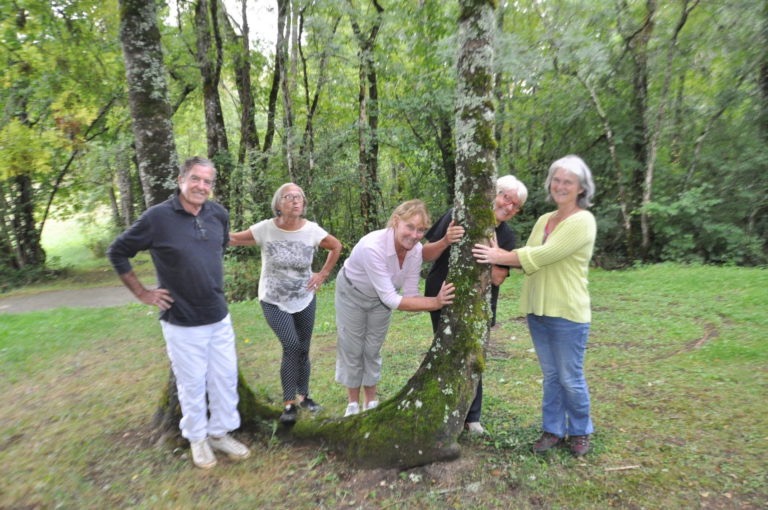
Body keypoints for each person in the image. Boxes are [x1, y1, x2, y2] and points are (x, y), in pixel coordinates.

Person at [107, 156, 250, 469]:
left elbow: (215, 250)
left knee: (225, 379)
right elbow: (117, 251)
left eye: (207, 181)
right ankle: (197, 438)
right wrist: (142, 293)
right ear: (181, 179)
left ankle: (219, 433)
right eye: (195, 178)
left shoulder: (218, 214)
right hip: (181, 321)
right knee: (192, 384)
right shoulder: (157, 218)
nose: (201, 186)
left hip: (219, 316)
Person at [472, 155, 597, 457]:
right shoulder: (544, 220)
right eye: (556, 180)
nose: (560, 186)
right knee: (552, 375)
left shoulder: (583, 221)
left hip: (567, 311)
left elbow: (541, 255)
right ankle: (552, 429)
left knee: (570, 377)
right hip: (538, 310)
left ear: (581, 188)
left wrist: (499, 256)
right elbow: (528, 254)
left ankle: (580, 430)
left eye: (568, 182)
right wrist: (502, 255)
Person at [422, 175, 528, 435]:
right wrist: (446, 240)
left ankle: (472, 417)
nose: (509, 207)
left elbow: (498, 278)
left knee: (473, 358)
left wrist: (496, 254)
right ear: (493, 192)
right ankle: (444, 408)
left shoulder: (506, 236)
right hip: (443, 296)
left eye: (516, 205)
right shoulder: (458, 214)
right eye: (506, 198)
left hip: (480, 304)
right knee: (446, 352)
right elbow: (425, 253)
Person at [229, 183, 342, 424]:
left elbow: (336, 246)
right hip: (273, 300)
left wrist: (322, 274)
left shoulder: (311, 230)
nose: (295, 200)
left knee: (303, 348)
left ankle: (304, 397)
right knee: (291, 345)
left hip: (304, 298)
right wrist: (207, 229)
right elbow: (233, 239)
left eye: (299, 196)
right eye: (288, 197)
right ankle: (289, 404)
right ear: (278, 204)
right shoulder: (265, 229)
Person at [335, 199, 456, 417]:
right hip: (352, 294)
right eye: (410, 227)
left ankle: (371, 401)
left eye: (421, 230)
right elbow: (392, 299)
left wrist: (433, 301)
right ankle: (352, 404)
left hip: (381, 300)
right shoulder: (373, 247)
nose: (415, 235)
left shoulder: (416, 251)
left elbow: (410, 295)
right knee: (352, 348)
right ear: (396, 221)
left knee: (372, 348)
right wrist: (436, 302)